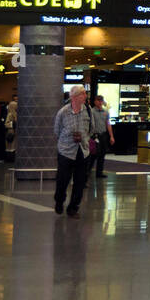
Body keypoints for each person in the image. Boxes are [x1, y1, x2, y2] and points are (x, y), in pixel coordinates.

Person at [53, 84, 93, 217]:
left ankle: (73, 208)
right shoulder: (63, 112)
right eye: (83, 94)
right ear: (75, 97)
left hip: (83, 150)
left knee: (80, 182)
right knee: (62, 180)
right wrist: (67, 141)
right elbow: (57, 131)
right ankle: (59, 201)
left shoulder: (88, 110)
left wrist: (85, 138)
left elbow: (91, 129)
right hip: (66, 152)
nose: (85, 96)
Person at [90, 94, 114, 179]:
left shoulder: (105, 112)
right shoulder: (92, 112)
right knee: (93, 155)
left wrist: (111, 136)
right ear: (95, 101)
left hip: (103, 135)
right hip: (94, 136)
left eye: (101, 100)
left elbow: (108, 124)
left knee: (102, 154)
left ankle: (99, 173)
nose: (100, 102)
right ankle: (87, 172)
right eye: (98, 100)